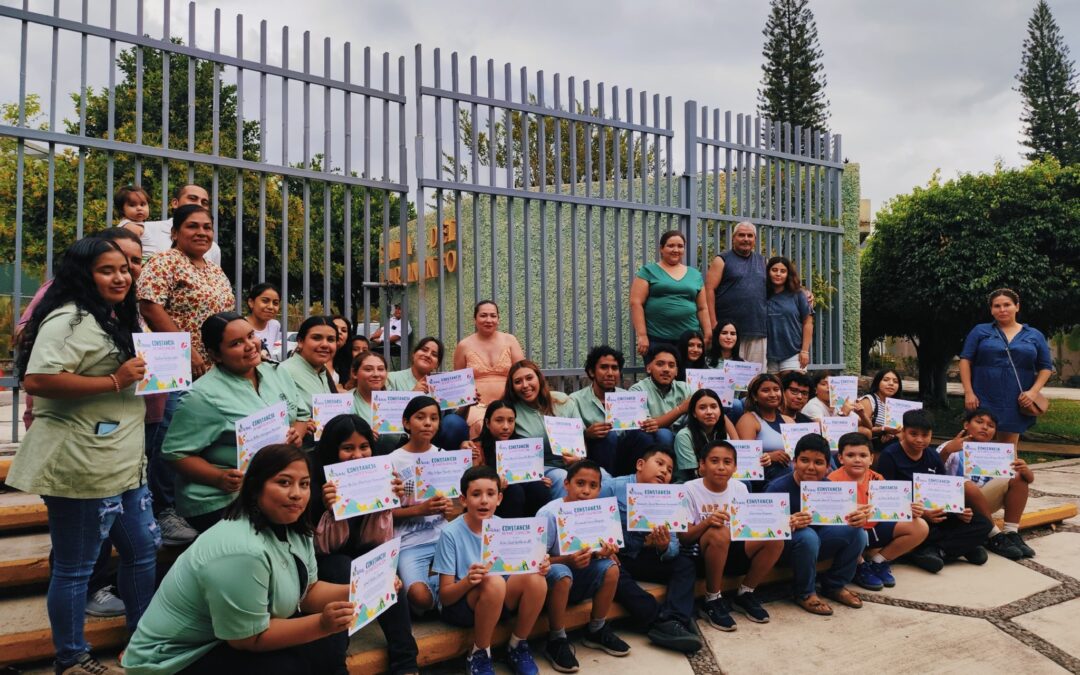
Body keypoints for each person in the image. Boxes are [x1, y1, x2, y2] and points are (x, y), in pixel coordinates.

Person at [9, 236, 158, 675]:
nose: (120, 277)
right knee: (76, 568)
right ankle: (71, 657)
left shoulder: (113, 317)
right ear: (83, 274)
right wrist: (113, 381)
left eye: (125, 269)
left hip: (123, 461)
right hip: (80, 463)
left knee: (143, 549)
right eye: (106, 270)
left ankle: (142, 637)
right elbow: (37, 380)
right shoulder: (67, 319)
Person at [122, 445, 356, 675]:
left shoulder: (294, 526)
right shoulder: (243, 550)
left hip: (220, 638)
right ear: (255, 487)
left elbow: (309, 592)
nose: (297, 493)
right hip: (172, 659)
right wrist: (322, 624)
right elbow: (247, 640)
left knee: (321, 650)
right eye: (284, 482)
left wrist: (360, 589)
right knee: (290, 666)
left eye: (304, 484)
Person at [162, 312, 309, 532]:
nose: (250, 345)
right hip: (221, 498)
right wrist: (219, 478)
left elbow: (301, 415)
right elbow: (175, 454)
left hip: (270, 486)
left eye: (251, 336)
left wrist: (296, 433)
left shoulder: (276, 372)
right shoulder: (202, 397)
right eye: (236, 343)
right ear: (216, 355)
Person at [309, 415, 420, 675]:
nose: (358, 455)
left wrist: (392, 498)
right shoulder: (314, 482)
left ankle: (406, 663)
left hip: (360, 550)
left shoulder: (378, 475)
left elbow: (379, 538)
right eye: (348, 448)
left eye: (364, 447)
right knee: (342, 568)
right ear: (332, 450)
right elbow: (317, 547)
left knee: (387, 576)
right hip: (324, 561)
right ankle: (335, 667)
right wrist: (327, 508)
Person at [434, 465, 548, 675]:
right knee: (493, 581)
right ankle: (479, 653)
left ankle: (517, 645)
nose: (484, 500)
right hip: (460, 606)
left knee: (536, 578)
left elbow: (520, 573)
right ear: (464, 500)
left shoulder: (502, 526)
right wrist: (469, 580)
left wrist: (539, 564)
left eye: (490, 494)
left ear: (500, 499)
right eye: (476, 494)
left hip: (496, 601)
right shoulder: (450, 534)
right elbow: (445, 596)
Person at [599, 446, 703, 654]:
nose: (665, 471)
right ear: (640, 465)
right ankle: (659, 621)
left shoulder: (670, 498)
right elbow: (590, 522)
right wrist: (605, 548)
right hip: (615, 556)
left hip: (644, 556)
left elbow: (673, 547)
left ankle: (676, 620)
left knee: (684, 565)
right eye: (660, 463)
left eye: (670, 469)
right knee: (612, 573)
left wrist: (663, 545)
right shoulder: (611, 488)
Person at [536, 460, 631, 672]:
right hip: (552, 582)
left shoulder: (601, 512)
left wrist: (604, 552)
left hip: (580, 579)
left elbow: (599, 552)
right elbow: (534, 561)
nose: (586, 491)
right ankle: (556, 639)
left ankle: (596, 629)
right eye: (580, 483)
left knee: (611, 567)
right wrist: (567, 560)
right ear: (566, 484)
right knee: (562, 573)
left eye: (593, 485)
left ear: (599, 488)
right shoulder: (549, 514)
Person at [679, 440, 783, 631]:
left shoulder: (740, 488)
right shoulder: (688, 489)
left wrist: (781, 521)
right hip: (701, 555)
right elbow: (684, 537)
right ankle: (712, 599)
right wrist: (707, 522)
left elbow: (749, 528)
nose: (721, 467)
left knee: (774, 535)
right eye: (714, 461)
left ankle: (745, 593)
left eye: (727, 462)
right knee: (719, 532)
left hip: (734, 550)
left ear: (735, 467)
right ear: (702, 465)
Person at [874, 410, 995, 572]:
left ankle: (936, 550)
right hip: (910, 515)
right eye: (913, 434)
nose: (919, 440)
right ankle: (953, 548)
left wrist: (957, 511)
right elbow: (886, 498)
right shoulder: (890, 455)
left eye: (925, 435)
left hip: (936, 513)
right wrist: (922, 513)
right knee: (923, 527)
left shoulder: (932, 456)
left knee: (982, 523)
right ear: (903, 432)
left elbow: (944, 490)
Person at [766, 434, 869, 616]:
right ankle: (805, 593)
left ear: (828, 467)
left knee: (857, 532)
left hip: (816, 546)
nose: (811, 467)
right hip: (785, 550)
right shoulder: (777, 488)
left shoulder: (828, 486)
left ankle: (834, 585)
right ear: (794, 462)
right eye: (804, 460)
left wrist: (857, 517)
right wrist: (787, 522)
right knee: (807, 535)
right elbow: (763, 531)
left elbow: (842, 518)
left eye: (819, 462)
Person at [137, 203, 234, 379]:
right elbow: (150, 307)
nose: (202, 233)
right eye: (192, 226)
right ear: (174, 233)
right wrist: (185, 351)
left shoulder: (214, 269)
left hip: (215, 369)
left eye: (207, 227)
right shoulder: (164, 261)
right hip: (177, 367)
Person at [828, 432, 929, 591]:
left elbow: (891, 507)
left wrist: (910, 509)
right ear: (840, 458)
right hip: (852, 533)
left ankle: (878, 561)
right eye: (850, 455)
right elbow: (829, 517)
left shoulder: (877, 478)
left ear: (871, 459)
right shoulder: (832, 480)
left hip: (875, 528)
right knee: (851, 528)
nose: (857, 459)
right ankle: (859, 566)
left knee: (920, 526)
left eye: (863, 455)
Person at [388, 396, 460, 615]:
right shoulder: (392, 460)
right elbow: (384, 514)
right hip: (409, 542)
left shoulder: (445, 457)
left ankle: (445, 598)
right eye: (420, 417)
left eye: (434, 418)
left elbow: (459, 508)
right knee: (420, 596)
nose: (428, 423)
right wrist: (420, 510)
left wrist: (450, 510)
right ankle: (446, 599)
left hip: (444, 537)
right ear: (407, 422)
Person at [937, 408, 1037, 560]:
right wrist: (946, 452)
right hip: (955, 505)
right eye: (979, 422)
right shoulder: (950, 447)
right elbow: (931, 477)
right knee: (967, 484)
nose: (985, 427)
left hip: (982, 502)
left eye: (991, 425)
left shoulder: (998, 452)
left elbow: (1025, 481)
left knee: (1017, 475)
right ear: (966, 424)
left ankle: (1011, 533)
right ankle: (994, 536)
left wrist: (1025, 471)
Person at [959, 288, 1053, 446]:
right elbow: (965, 360)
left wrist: (1033, 392)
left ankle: (1007, 472)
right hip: (983, 395)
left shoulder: (1034, 335)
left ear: (1017, 306)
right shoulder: (980, 331)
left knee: (1008, 450)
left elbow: (1046, 367)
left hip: (1016, 398)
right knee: (977, 444)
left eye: (1007, 304)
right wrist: (968, 392)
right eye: (997, 306)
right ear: (991, 310)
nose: (1002, 309)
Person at [568, 346, 662, 476]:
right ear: (591, 372)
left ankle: (639, 483)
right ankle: (606, 485)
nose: (610, 373)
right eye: (604, 367)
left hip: (625, 455)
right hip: (595, 456)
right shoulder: (575, 400)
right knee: (608, 436)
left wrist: (649, 424)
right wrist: (587, 433)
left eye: (615, 368)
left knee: (643, 436)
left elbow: (644, 423)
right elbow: (570, 438)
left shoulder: (628, 396)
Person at [502, 360, 580, 498]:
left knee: (602, 476)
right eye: (518, 381)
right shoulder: (510, 411)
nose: (525, 385)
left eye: (529, 378)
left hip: (574, 464)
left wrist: (578, 458)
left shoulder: (562, 401)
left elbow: (581, 439)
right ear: (512, 387)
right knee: (563, 478)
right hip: (540, 468)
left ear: (539, 378)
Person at [630, 230, 710, 356]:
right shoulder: (648, 271)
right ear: (661, 249)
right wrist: (642, 335)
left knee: (687, 375)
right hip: (657, 338)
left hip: (689, 340)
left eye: (680, 246)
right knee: (662, 374)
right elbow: (636, 303)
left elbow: (702, 308)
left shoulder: (695, 274)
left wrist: (708, 333)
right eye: (670, 245)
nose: (676, 250)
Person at [453, 300, 526, 437]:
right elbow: (459, 384)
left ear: (498, 319)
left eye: (493, 316)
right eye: (483, 315)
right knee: (483, 426)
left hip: (510, 404)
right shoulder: (464, 345)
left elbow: (523, 372)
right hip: (477, 406)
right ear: (475, 319)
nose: (488, 320)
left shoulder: (510, 340)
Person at [469, 400, 553, 517]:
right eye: (499, 420)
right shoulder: (476, 449)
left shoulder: (522, 446)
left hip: (524, 499)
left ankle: (538, 532)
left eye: (510, 421)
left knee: (539, 488)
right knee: (514, 490)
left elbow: (529, 476)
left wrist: (541, 479)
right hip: (493, 501)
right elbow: (473, 484)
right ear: (487, 423)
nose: (505, 427)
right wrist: (496, 484)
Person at [386, 336, 470, 450]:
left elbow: (455, 422)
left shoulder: (442, 385)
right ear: (413, 355)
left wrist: (467, 403)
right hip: (402, 438)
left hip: (435, 439)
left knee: (454, 422)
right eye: (424, 350)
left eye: (434, 354)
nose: (428, 355)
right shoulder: (392, 378)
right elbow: (385, 416)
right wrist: (413, 394)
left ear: (437, 365)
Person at [704, 222, 768, 370]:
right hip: (729, 334)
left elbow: (781, 285)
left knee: (755, 380)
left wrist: (804, 291)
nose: (746, 239)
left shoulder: (763, 261)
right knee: (728, 378)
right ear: (733, 238)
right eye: (741, 235)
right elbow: (709, 290)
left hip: (757, 330)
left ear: (755, 239)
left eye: (750, 236)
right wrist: (713, 324)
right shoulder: (722, 260)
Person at [628, 343, 691, 452]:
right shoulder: (637, 390)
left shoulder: (685, 388)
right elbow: (646, 426)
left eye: (671, 365)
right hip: (651, 442)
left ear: (676, 371)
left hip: (683, 437)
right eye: (660, 364)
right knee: (664, 434)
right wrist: (680, 409)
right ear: (648, 368)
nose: (666, 369)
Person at [139, 183, 223, 265]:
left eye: (204, 202)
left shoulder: (213, 248)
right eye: (193, 198)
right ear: (175, 203)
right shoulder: (145, 230)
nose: (199, 204)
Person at [735, 374, 797, 485]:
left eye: (776, 390)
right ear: (754, 396)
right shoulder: (749, 420)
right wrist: (770, 456)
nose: (773, 394)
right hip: (765, 477)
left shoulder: (789, 421)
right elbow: (744, 460)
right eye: (766, 390)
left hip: (792, 474)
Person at [672, 388, 742, 483]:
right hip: (690, 483)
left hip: (719, 478)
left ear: (720, 411)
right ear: (694, 413)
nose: (709, 412)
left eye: (714, 407)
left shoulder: (723, 433)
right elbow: (693, 474)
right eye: (702, 408)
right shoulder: (684, 436)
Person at [279, 316, 338, 415]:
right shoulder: (283, 372)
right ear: (300, 341)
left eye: (331, 340)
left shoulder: (323, 372)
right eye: (316, 338)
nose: (325, 344)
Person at [765, 256, 813, 373]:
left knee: (793, 389)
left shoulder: (798, 294)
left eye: (783, 271)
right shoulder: (761, 294)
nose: (778, 274)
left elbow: (808, 322)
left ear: (788, 274)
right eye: (774, 270)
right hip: (768, 355)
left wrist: (805, 351)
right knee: (773, 390)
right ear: (768, 272)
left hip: (793, 352)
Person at [349, 350, 403, 455]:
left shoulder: (397, 402)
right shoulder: (344, 401)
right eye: (368, 369)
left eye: (381, 369)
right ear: (354, 373)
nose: (376, 374)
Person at [802, 373, 868, 437]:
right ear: (815, 389)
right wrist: (843, 413)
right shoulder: (813, 405)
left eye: (832, 384)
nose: (829, 387)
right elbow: (826, 431)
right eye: (824, 384)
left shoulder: (839, 402)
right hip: (821, 443)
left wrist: (862, 414)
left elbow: (867, 426)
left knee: (865, 431)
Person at [856, 368, 904, 453]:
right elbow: (862, 429)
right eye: (886, 380)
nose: (891, 384)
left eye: (895, 382)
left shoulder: (898, 405)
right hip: (871, 445)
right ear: (878, 382)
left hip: (891, 443)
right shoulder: (869, 401)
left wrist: (892, 434)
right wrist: (883, 430)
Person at [707, 320, 746, 419]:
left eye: (733, 334)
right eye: (724, 333)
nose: (729, 337)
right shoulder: (705, 360)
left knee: (741, 402)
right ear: (717, 336)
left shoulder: (743, 364)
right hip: (709, 403)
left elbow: (744, 393)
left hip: (734, 407)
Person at [246, 283, 283, 362]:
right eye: (265, 301)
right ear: (251, 302)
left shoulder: (275, 325)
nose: (271, 307)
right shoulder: (240, 325)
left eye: (275, 303)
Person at [326, 315, 353, 387]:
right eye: (335, 328)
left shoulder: (348, 363)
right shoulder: (314, 359)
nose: (339, 332)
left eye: (344, 330)